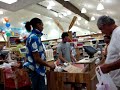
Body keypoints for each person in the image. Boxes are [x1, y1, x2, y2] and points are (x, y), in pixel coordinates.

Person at [23, 18, 55, 90]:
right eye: (42, 25)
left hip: (37, 69)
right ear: (38, 25)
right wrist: (49, 65)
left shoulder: (35, 36)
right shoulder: (34, 37)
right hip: (36, 70)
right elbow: (37, 58)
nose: (43, 27)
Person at [97, 15, 120, 89]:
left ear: (105, 25)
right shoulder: (114, 34)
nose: (102, 32)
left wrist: (108, 67)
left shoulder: (118, 32)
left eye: (101, 29)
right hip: (115, 81)